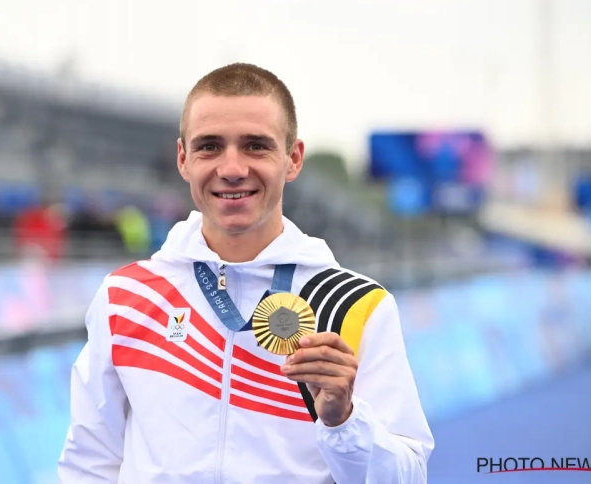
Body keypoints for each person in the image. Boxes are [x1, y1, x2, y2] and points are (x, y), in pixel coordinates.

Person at [58, 63, 434, 483]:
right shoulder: (125, 297)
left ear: (293, 159)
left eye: (255, 146)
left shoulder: (357, 306)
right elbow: (89, 463)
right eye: (209, 147)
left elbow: (408, 476)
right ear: (183, 159)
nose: (232, 168)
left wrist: (344, 421)